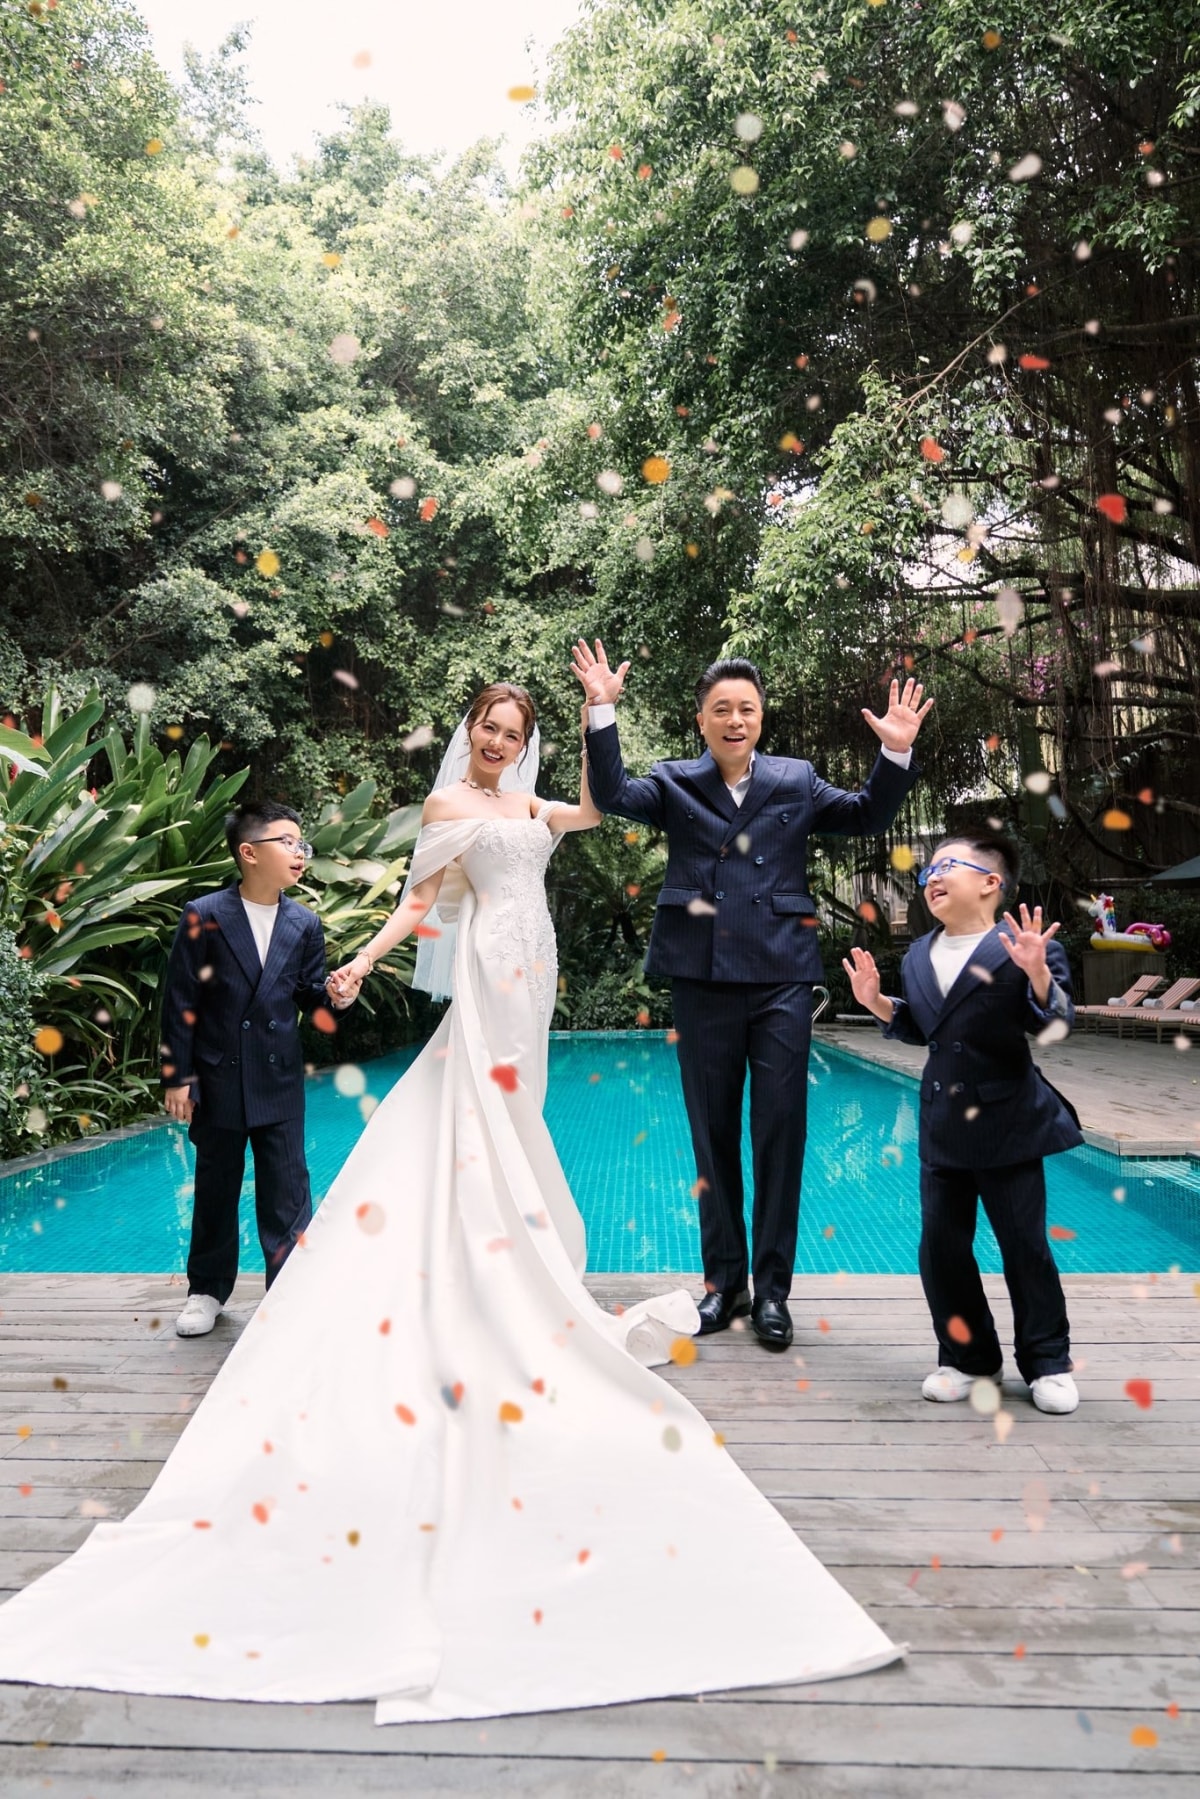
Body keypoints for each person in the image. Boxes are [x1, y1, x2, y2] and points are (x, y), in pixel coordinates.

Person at [0, 682, 900, 1721]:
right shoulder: (448, 809)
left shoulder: (530, 804)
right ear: (470, 731)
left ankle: (522, 1248)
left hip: (537, 962)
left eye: (515, 733)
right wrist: (363, 960)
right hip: (485, 964)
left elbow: (597, 807)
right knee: (482, 1106)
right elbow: (420, 903)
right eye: (490, 729)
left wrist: (601, 714)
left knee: (521, 1114)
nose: (500, 742)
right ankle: (484, 1256)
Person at [573, 640, 929, 1350]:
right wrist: (601, 711)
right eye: (721, 709)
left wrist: (894, 752)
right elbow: (611, 796)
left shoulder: (796, 779)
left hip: (780, 978)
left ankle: (772, 1292)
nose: (735, 720)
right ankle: (724, 1283)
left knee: (779, 1131)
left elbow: (866, 814)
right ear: (701, 720)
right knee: (712, 1135)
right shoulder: (674, 781)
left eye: (747, 709)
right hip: (701, 976)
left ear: (761, 718)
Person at [842, 833, 1084, 1415]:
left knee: (1024, 1248)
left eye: (946, 865)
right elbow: (927, 1027)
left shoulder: (1025, 946)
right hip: (943, 1124)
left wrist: (1038, 975)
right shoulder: (917, 955)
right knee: (942, 1250)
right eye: (927, 871)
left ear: (991, 882)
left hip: (1008, 1122)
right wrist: (878, 1004)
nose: (931, 877)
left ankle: (1047, 1362)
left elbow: (1055, 1026)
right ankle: (969, 1359)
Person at [161, 802, 362, 1338]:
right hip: (218, 1076)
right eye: (287, 842)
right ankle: (206, 1290)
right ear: (249, 853)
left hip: (278, 1078)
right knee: (216, 1187)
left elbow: (309, 998)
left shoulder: (304, 923)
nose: (300, 852)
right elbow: (180, 1000)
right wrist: (177, 1075)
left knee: (287, 1191)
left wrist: (337, 998)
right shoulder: (205, 914)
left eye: (302, 843)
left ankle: (288, 1294)